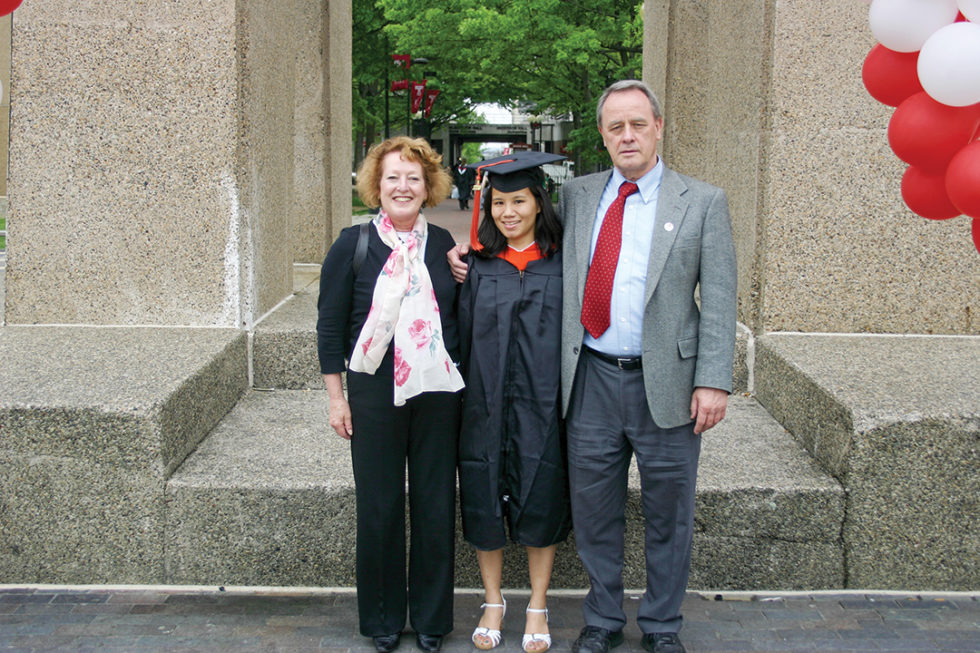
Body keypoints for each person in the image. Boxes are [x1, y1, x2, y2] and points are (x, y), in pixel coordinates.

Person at [449, 80, 737, 653]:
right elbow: (523, 239)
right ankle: (602, 618)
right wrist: (465, 257)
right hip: (589, 381)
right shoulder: (579, 196)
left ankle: (660, 625)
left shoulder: (702, 201)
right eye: (615, 127)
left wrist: (713, 379)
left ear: (658, 126)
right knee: (595, 510)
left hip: (670, 386)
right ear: (603, 136)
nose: (626, 135)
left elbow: (721, 299)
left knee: (669, 514)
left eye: (636, 124)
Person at [318, 136, 465, 653]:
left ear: (428, 189)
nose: (402, 187)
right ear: (375, 187)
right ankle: (381, 618)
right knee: (378, 505)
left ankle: (430, 620)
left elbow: (459, 318)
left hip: (435, 391)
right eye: (392, 178)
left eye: (413, 178)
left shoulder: (444, 244)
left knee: (433, 503)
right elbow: (330, 327)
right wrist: (338, 399)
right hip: (373, 388)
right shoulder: (351, 245)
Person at [456, 152, 571, 653]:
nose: (507, 211)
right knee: (483, 495)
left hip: (543, 406)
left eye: (518, 200)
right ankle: (494, 599)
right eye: (498, 202)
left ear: (538, 203)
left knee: (541, 494)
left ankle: (539, 603)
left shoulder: (564, 262)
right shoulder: (477, 265)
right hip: (484, 405)